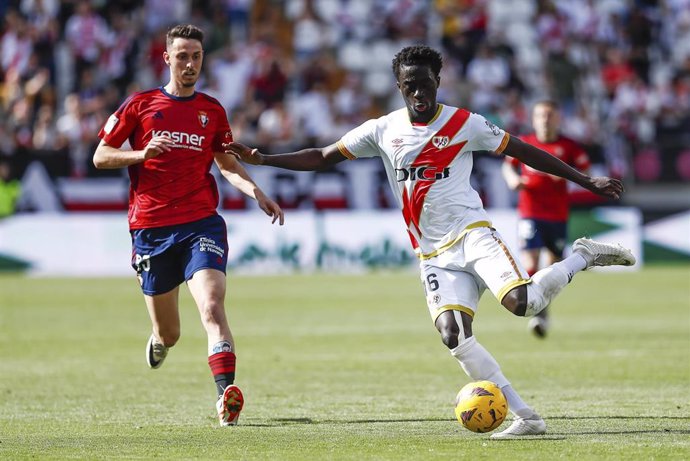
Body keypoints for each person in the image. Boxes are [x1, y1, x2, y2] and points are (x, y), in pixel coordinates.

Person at [224, 45, 635, 438]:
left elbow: (526, 151)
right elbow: (321, 156)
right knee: (453, 335)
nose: (419, 93)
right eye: (410, 86)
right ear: (399, 87)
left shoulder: (464, 123)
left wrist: (585, 180)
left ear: (438, 79)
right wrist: (262, 158)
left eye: (426, 83)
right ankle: (526, 416)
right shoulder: (382, 130)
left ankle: (582, 255)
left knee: (522, 304)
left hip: (473, 235)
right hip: (433, 254)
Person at [92, 24, 284, 427]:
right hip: (151, 228)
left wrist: (256, 191)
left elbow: (226, 164)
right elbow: (101, 156)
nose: (190, 63)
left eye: (196, 56)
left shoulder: (212, 111)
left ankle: (225, 400)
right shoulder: (140, 104)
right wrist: (142, 153)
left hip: (201, 223)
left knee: (212, 306)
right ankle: (160, 341)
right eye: (182, 56)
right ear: (167, 58)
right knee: (171, 332)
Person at [502, 100, 591, 338]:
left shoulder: (569, 146)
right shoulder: (525, 143)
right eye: (540, 115)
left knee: (553, 267)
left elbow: (585, 171)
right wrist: (512, 179)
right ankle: (536, 310)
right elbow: (508, 166)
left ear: (557, 118)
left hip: (557, 215)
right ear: (533, 119)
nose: (545, 119)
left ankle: (542, 309)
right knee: (530, 260)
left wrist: (565, 178)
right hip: (530, 212)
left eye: (550, 115)